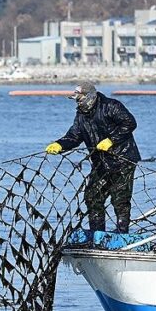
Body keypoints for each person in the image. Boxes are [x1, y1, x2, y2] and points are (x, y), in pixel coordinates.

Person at [46, 82, 140, 233]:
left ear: (90, 97)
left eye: (80, 99)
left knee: (120, 199)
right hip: (100, 163)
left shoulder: (111, 106)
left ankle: (122, 233)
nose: (78, 103)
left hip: (122, 159)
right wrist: (60, 144)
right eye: (76, 100)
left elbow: (129, 123)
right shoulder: (81, 115)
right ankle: (97, 233)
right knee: (92, 196)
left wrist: (111, 140)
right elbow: (74, 136)